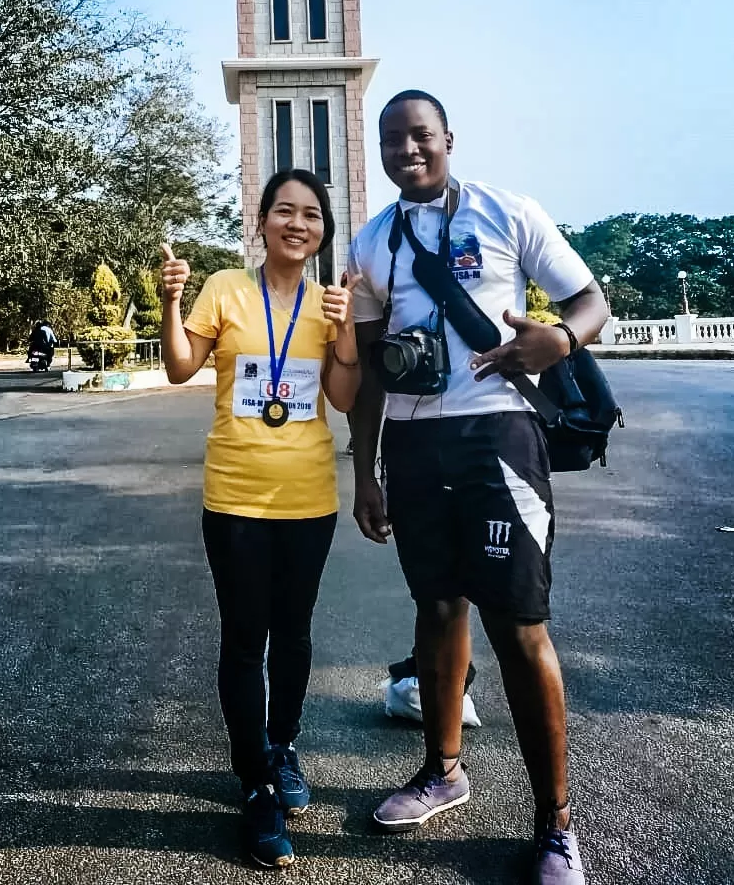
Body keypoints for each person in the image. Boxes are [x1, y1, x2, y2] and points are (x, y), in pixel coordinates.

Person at [348, 91, 607, 885]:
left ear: (448, 139)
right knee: (435, 606)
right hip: (416, 444)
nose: (407, 151)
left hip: (499, 436)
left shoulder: (506, 210)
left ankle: (556, 823)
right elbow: (363, 373)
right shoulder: (370, 240)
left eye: (420, 136)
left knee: (520, 623)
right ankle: (442, 770)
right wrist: (365, 471)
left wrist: (558, 338)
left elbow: (590, 302)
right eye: (392, 140)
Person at [160, 169, 360, 869]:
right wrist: (171, 300)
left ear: (322, 231)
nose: (296, 223)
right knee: (245, 640)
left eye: (310, 214)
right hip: (236, 497)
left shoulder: (327, 302)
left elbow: (340, 396)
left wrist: (345, 334)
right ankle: (255, 786)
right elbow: (182, 367)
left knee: (294, 633)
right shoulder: (225, 288)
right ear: (263, 222)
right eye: (284, 210)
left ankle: (283, 746)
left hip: (308, 499)